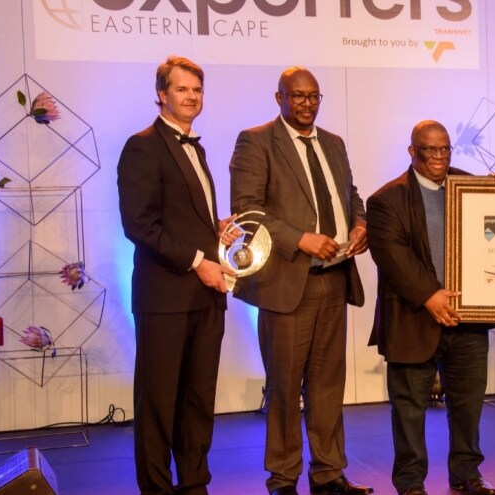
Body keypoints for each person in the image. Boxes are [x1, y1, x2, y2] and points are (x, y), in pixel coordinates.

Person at [228, 67, 372, 495]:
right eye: (297, 96)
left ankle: (329, 473)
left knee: (328, 385)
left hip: (334, 278)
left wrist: (360, 224)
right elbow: (247, 210)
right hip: (287, 284)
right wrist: (301, 240)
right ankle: (283, 478)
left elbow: (350, 196)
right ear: (279, 98)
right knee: (285, 388)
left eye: (313, 96)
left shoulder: (334, 143)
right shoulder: (256, 141)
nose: (307, 104)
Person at [117, 55, 237, 495]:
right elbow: (139, 225)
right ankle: (156, 489)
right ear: (161, 94)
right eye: (181, 89)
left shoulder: (196, 147)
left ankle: (194, 485)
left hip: (206, 297)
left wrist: (215, 232)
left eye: (197, 90)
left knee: (198, 400)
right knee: (158, 403)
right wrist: (198, 261)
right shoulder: (143, 146)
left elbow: (180, 219)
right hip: (164, 298)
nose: (191, 97)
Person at [367, 120, 495, 495]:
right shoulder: (386, 199)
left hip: (466, 318)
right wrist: (430, 296)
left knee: (468, 405)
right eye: (430, 149)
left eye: (445, 149)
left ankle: (467, 474)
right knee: (409, 408)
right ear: (412, 151)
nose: (439, 156)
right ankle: (410, 482)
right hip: (413, 318)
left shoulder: (470, 186)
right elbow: (392, 257)